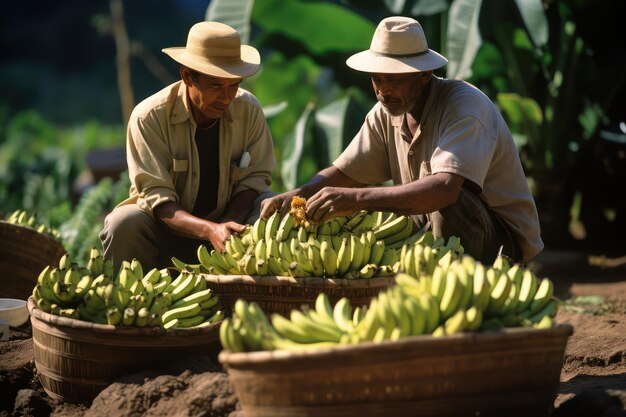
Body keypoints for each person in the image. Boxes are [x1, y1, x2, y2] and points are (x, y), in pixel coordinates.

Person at [260, 16, 543, 265]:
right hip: (430, 231)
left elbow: (444, 190)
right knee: (351, 225)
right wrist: (297, 195)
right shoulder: (385, 112)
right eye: (376, 79)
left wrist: (355, 199)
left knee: (445, 201)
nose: (383, 91)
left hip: (499, 240)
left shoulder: (464, 106)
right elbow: (346, 174)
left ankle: (456, 284)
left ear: (423, 74)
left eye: (393, 79)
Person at [100, 21, 275, 272]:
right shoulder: (148, 118)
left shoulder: (249, 110)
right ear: (187, 77)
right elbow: (158, 201)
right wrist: (209, 231)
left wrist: (227, 224)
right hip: (164, 230)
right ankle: (131, 300)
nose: (226, 97)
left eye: (234, 85)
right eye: (216, 85)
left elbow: (255, 179)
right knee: (124, 222)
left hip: (229, 226)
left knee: (271, 207)